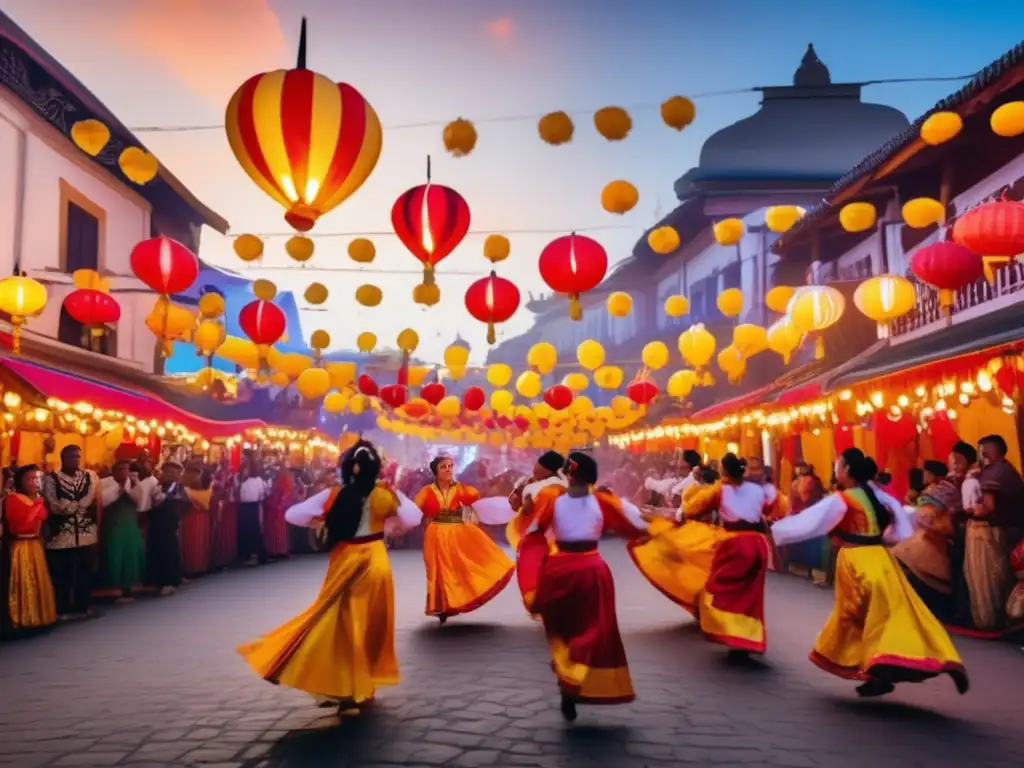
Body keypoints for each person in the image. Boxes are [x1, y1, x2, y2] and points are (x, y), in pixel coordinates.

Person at [770, 448, 968, 698]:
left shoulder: (841, 500)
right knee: (899, 614)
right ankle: (937, 659)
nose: (836, 471)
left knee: (858, 617)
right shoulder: (880, 497)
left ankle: (871, 668)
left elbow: (810, 523)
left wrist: (777, 531)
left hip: (856, 561)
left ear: (848, 470)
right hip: (883, 561)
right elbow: (901, 530)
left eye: (838, 466)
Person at [238, 440, 410, 714]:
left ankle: (342, 686)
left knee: (336, 621)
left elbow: (293, 514)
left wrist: (322, 522)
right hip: (377, 561)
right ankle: (362, 686)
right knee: (369, 624)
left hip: (346, 559)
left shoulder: (333, 495)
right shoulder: (385, 494)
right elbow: (412, 518)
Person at [517, 452, 647, 721]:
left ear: (569, 474)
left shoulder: (553, 501)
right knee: (594, 628)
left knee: (560, 628)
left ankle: (568, 673)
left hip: (558, 570)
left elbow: (532, 532)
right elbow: (635, 524)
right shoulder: (602, 501)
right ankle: (576, 673)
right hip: (591, 569)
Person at [414, 455, 515, 624]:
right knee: (437, 570)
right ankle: (441, 605)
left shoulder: (461, 489)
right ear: (435, 471)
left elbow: (474, 501)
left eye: (450, 466)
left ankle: (456, 600)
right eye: (443, 467)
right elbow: (417, 510)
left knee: (457, 567)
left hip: (457, 531)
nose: (448, 469)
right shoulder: (426, 492)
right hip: (435, 532)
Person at [964, 435, 1024, 630]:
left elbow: (988, 506)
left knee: (992, 579)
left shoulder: (997, 472)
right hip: (1011, 530)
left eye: (982, 450)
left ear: (989, 451)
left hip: (1000, 533)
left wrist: (974, 509)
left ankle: (990, 620)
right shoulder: (1004, 469)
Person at [41, 446, 100, 619]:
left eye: (78, 456)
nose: (75, 459)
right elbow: (53, 505)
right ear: (62, 458)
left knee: (85, 571)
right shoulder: (51, 479)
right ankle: (62, 609)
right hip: (60, 536)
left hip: (85, 534)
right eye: (71, 456)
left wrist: (71, 505)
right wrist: (73, 507)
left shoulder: (89, 476)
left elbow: (89, 499)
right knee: (62, 573)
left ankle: (83, 606)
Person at [2, 465, 56, 631]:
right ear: (21, 481)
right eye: (29, 478)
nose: (34, 482)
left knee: (38, 580)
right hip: (21, 546)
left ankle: (41, 617)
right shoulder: (13, 499)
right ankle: (23, 618)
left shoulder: (38, 499)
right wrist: (36, 505)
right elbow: (18, 526)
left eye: (36, 478)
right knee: (23, 581)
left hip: (35, 545)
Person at [98, 460, 146, 602]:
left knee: (131, 555)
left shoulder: (135, 483)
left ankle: (130, 588)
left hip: (130, 524)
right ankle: (114, 589)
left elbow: (141, 503)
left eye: (126, 469)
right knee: (115, 554)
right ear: (113, 471)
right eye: (120, 469)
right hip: (114, 525)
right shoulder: (105, 483)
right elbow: (103, 501)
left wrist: (134, 486)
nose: (124, 472)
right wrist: (119, 489)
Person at [507, 451, 565, 551]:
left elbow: (521, 509)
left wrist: (523, 490)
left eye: (537, 469)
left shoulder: (542, 488)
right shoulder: (536, 483)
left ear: (548, 472)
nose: (534, 472)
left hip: (540, 539)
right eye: (535, 468)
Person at [146, 462, 186, 596]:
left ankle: (170, 581)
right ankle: (156, 581)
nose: (170, 474)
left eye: (173, 472)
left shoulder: (178, 488)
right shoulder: (158, 485)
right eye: (167, 471)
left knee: (169, 551)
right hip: (155, 522)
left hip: (169, 523)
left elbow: (179, 503)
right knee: (155, 550)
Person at [181, 473, 213, 578]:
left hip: (192, 518)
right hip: (202, 518)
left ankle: (192, 567)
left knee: (193, 542)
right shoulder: (208, 492)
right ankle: (200, 566)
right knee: (200, 541)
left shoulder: (188, 491)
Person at [237, 463, 268, 567]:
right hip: (243, 506)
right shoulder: (239, 480)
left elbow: (264, 493)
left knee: (254, 530)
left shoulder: (258, 480)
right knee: (244, 531)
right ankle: (246, 555)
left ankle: (256, 555)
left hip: (254, 506)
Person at [263, 465, 294, 560]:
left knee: (277, 529)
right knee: (278, 529)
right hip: (278, 505)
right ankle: (279, 550)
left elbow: (283, 491)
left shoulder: (281, 478)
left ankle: (276, 550)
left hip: (276, 505)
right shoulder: (285, 477)